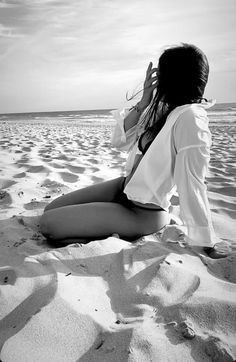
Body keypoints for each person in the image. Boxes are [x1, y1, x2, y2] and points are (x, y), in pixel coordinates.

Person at [40, 43, 230, 258]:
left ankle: (107, 231)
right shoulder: (162, 109)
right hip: (123, 189)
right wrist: (144, 100)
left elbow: (192, 181)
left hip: (143, 212)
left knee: (49, 224)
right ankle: (101, 228)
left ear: (171, 76)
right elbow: (120, 142)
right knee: (51, 209)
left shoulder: (191, 117)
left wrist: (206, 241)